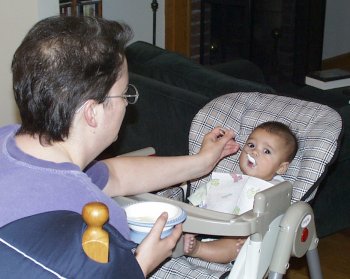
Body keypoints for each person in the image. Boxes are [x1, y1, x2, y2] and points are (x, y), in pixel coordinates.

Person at [0, 16, 240, 277]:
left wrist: (201, 162)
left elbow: (113, 175)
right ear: (92, 113)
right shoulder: (97, 220)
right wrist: (141, 265)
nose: (127, 104)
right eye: (125, 94)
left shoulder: (11, 142)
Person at [183, 121, 298, 264]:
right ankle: (186, 238)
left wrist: (254, 236)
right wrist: (191, 215)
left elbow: (276, 222)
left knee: (235, 247)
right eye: (251, 145)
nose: (254, 152)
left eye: (266, 151)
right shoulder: (230, 179)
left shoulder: (277, 190)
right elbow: (204, 195)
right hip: (206, 225)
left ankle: (197, 249)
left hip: (238, 238)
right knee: (183, 220)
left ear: (281, 168)